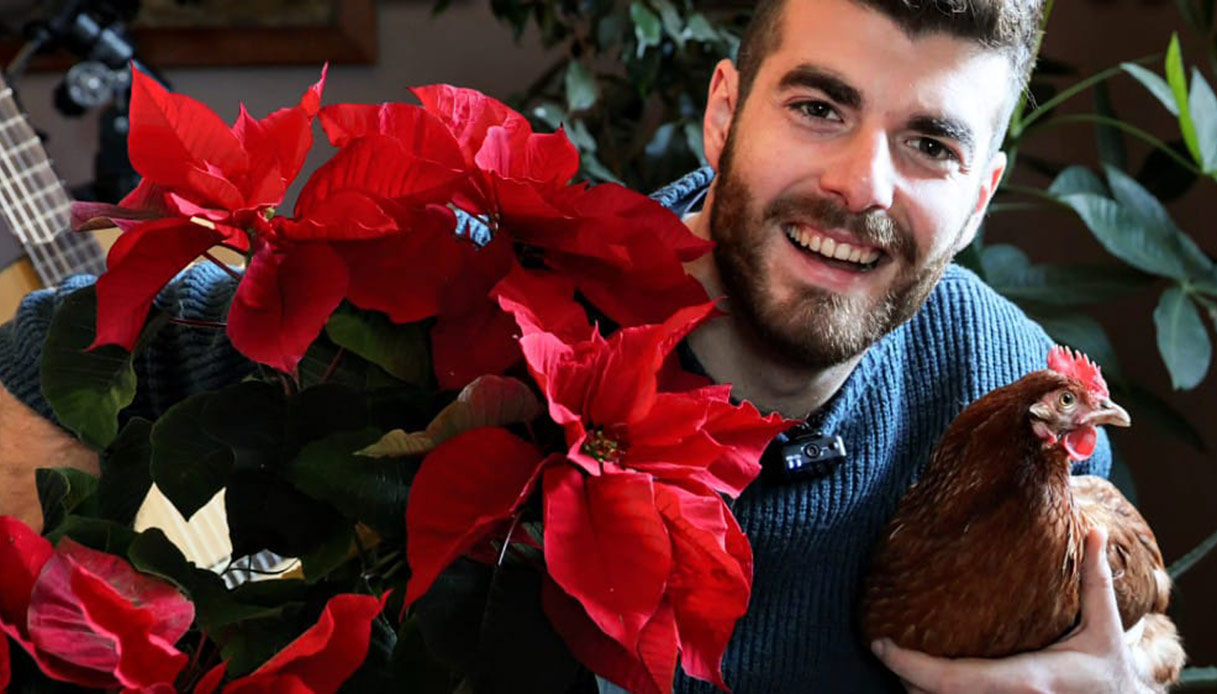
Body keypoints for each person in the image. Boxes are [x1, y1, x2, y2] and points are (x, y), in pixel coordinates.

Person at [0, 0, 1169, 692]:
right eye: (817, 107)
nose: (860, 185)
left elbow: (1118, 643)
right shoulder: (483, 300)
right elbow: (54, 346)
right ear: (723, 111)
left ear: (978, 200)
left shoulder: (1012, 399)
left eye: (928, 144)